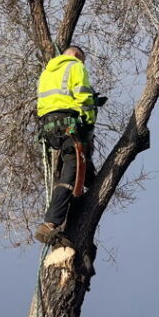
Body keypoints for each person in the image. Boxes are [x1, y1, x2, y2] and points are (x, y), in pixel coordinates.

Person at [35, 46, 104, 245]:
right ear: (75, 55)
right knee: (73, 167)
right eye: (82, 58)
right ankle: (50, 224)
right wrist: (89, 119)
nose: (82, 63)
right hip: (68, 122)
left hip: (50, 127)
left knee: (79, 162)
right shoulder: (76, 67)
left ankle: (91, 179)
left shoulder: (47, 73)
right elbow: (82, 95)